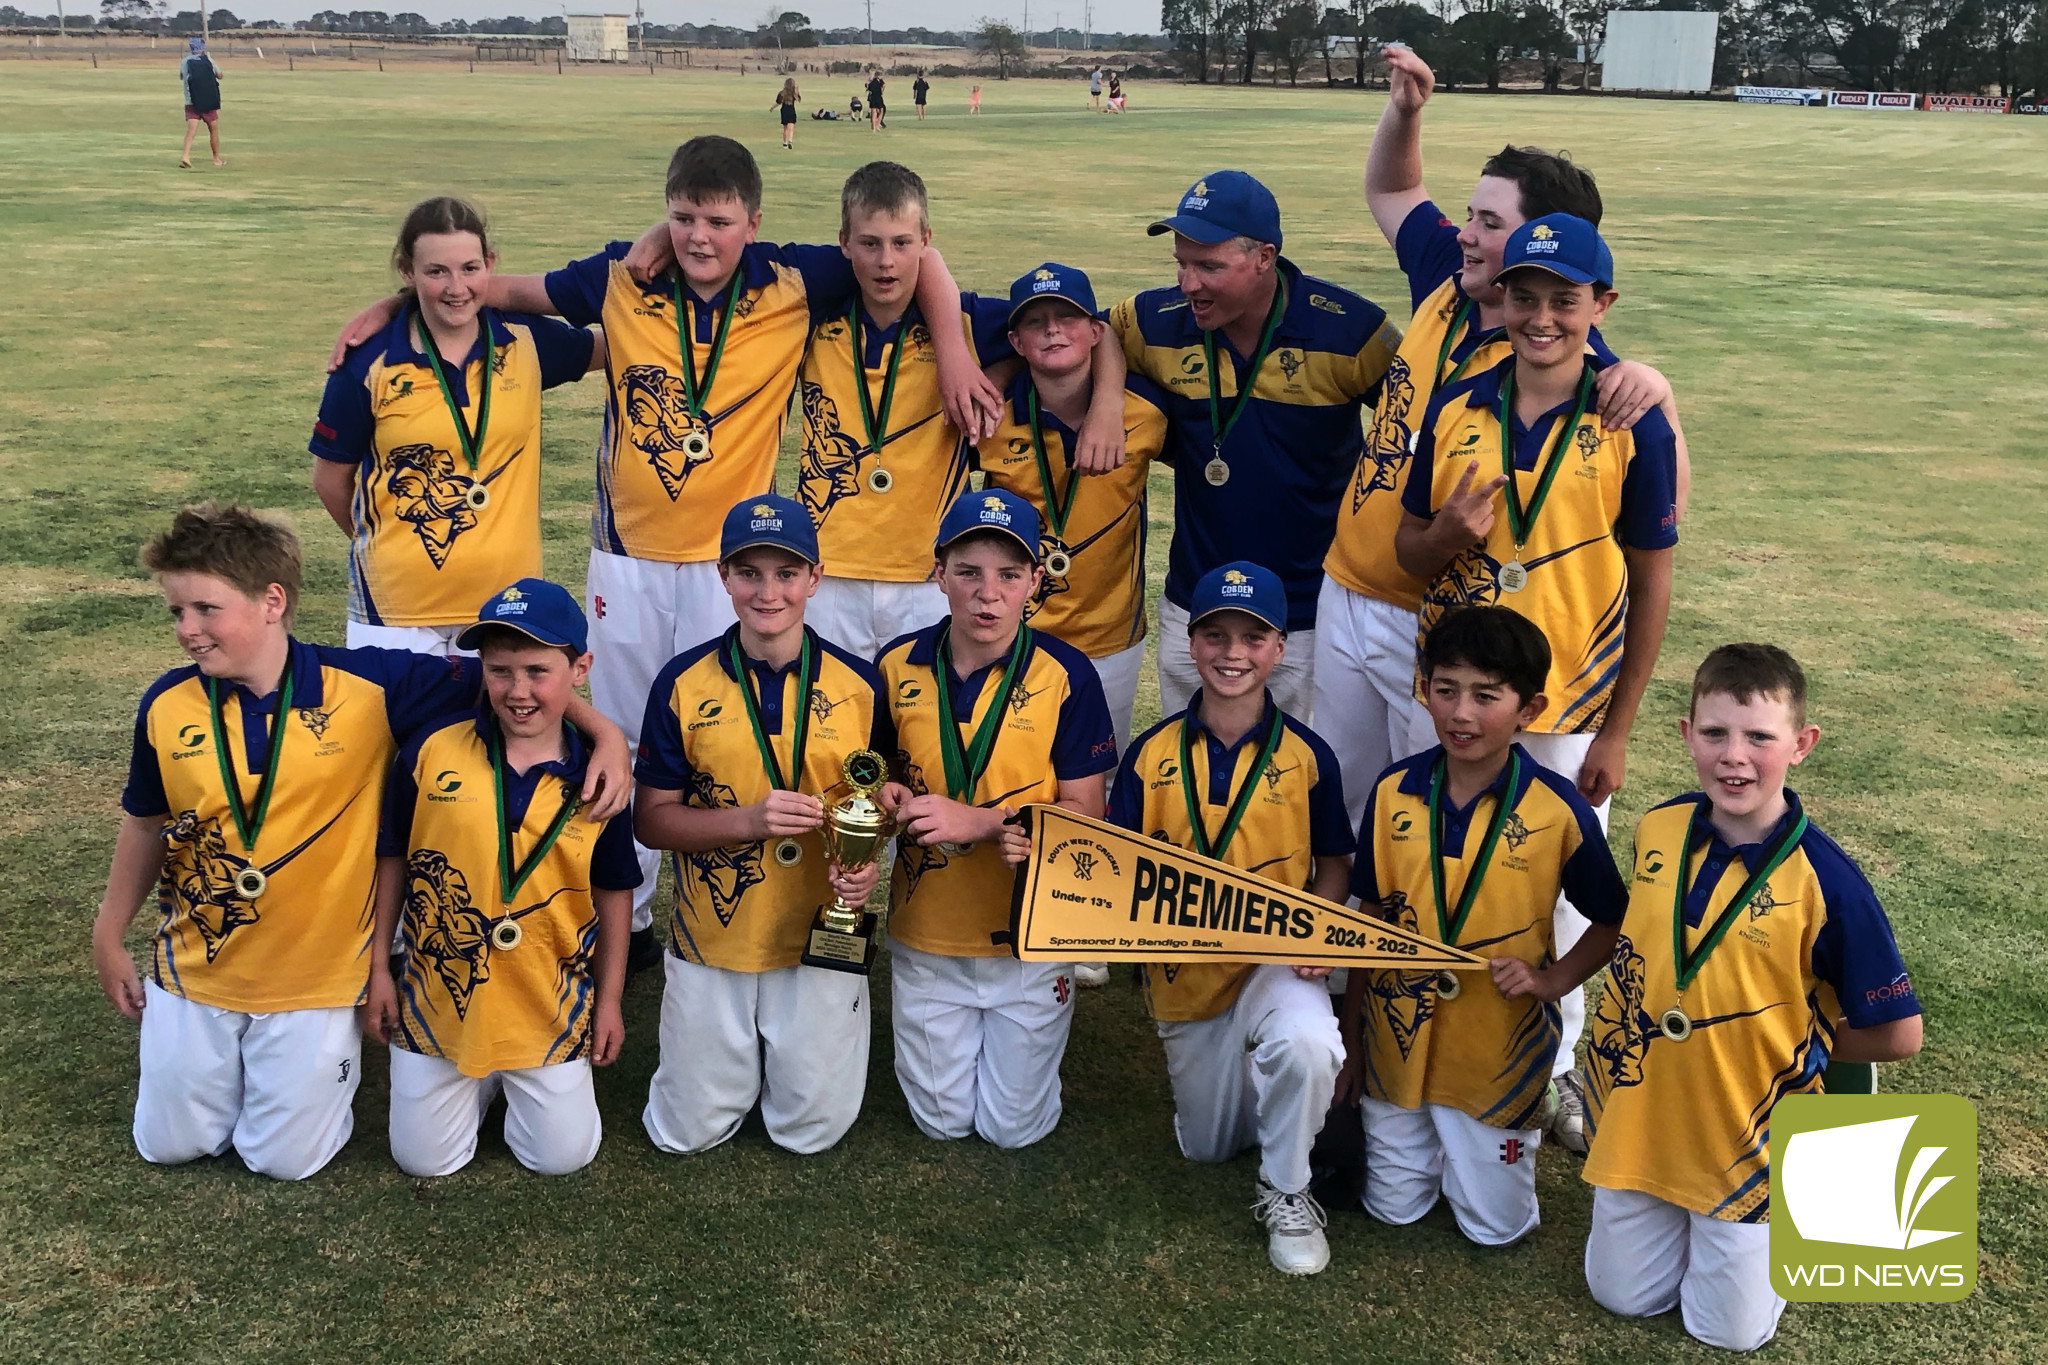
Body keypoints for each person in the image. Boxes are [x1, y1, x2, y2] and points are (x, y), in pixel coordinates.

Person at [328, 134, 995, 966]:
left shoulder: (795, 280)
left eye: (717, 220)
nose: (699, 237)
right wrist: (394, 307)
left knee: (745, 737)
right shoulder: (621, 275)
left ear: (754, 221)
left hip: (734, 568)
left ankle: (791, 898)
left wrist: (959, 349)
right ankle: (632, 911)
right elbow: (486, 289)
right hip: (628, 558)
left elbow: (913, 254)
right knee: (626, 727)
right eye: (682, 218)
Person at [90, 503, 629, 1181]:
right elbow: (143, 822)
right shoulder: (166, 703)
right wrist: (109, 932)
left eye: (205, 608)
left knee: (284, 1160)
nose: (187, 631)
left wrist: (602, 731)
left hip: (315, 978)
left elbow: (518, 677)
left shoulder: (374, 686)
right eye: (177, 612)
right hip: (198, 962)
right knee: (170, 1144)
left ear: (271, 601)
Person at [1320, 41, 1684, 842]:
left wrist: (1657, 386)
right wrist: (1406, 111)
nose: (1465, 233)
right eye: (1472, 215)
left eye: (1488, 221)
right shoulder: (1447, 280)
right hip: (1349, 586)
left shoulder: (1569, 360)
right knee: (1344, 805)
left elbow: (1663, 504)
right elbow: (1391, 185)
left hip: (1444, 620)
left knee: (1432, 820)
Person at [1394, 212, 1679, 1153]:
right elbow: (1407, 547)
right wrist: (1446, 537)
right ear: (1501, 300)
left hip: (1569, 704)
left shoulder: (1629, 417)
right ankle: (1417, 1047)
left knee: (1557, 893)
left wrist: (1620, 727)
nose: (1543, 317)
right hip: (1456, 690)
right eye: (1526, 297)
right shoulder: (1458, 404)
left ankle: (1552, 1073)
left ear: (1602, 305)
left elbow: (1652, 575)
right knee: (1437, 866)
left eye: (1565, 299)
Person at [1581, 644, 1923, 1351]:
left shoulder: (1830, 882)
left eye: (1759, 737)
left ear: (1801, 745)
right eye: (1714, 733)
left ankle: (1794, 1215)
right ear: (1685, 735)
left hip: (1748, 1134)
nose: (1734, 756)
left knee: (1727, 1333)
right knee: (1621, 1297)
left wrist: (1800, 1041)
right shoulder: (1658, 828)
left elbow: (1899, 1034)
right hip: (1647, 1116)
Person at [1342, 606, 1626, 1247]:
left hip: (1495, 1050)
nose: (1461, 714)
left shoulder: (1559, 809)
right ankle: (1430, 1146)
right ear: (1425, 691)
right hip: (1396, 1045)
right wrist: (1354, 1044)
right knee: (1393, 1210)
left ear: (1530, 708)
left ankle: (1480, 1152)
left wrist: (1554, 981)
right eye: (1445, 690)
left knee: (1494, 1230)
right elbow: (1370, 922)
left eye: (1486, 696)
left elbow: (1612, 918)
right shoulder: (1392, 793)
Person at [1108, 561, 1352, 1276]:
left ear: (1279, 649)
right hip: (1185, 979)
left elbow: (1336, 860)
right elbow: (1119, 867)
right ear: (1191, 642)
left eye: (1254, 636)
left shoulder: (1310, 756)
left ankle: (1289, 1190)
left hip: (1274, 964)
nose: (1233, 652)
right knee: (1207, 1144)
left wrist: (1320, 923)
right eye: (1215, 633)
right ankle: (1271, 1100)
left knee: (1309, 1044)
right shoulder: (1150, 756)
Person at [633, 495, 890, 1156]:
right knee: (683, 1132)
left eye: (786, 572)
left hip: (820, 935)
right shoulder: (681, 682)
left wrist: (862, 867)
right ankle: (730, 1063)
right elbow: (652, 822)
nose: (767, 591)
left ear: (815, 577)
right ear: (723, 576)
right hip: (714, 935)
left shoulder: (862, 684)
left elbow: (878, 802)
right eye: (750, 572)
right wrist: (747, 819)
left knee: (813, 1130)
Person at [361, 580, 639, 1177]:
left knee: (561, 1159)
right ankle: (479, 1080)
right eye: (499, 671)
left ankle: (506, 1079)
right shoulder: (429, 751)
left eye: (538, 671)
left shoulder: (600, 778)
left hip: (546, 1000)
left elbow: (616, 889)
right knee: (423, 1162)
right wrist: (380, 966)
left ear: (581, 668)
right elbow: (394, 860)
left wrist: (610, 999)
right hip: (438, 1001)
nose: (518, 692)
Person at [1107, 170, 1401, 719]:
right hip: (1195, 605)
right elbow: (1091, 338)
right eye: (1181, 262)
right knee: (1190, 776)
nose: (1188, 283)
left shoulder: (1350, 331)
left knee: (1299, 783)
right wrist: (1105, 400)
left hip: (1309, 611)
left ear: (1265, 257)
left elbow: (1424, 416)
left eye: (1209, 267)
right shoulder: (1154, 321)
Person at [875, 488, 1117, 1148]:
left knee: (1013, 1130)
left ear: (1036, 580)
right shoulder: (896, 665)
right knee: (943, 1122)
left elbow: (1086, 815)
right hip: (929, 932)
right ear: (938, 574)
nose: (989, 595)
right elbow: (879, 775)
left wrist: (982, 823)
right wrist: (889, 798)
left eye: (1009, 575)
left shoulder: (1068, 672)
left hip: (1030, 939)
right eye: (969, 572)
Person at [311, 197, 604, 656]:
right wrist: (387, 546)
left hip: (503, 606)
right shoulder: (368, 363)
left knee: (494, 728)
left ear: (490, 264)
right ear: (407, 271)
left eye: (470, 268)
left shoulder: (525, 341)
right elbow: (329, 479)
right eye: (436, 272)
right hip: (396, 611)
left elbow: (621, 342)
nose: (456, 287)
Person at [794, 163, 1014, 660]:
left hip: (929, 573)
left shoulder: (966, 321)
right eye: (869, 243)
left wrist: (982, 377)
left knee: (922, 726)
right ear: (844, 243)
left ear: (926, 241)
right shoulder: (809, 316)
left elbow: (1068, 335)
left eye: (901, 242)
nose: (886, 261)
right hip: (829, 570)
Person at [977, 262, 1167, 755]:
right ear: (1016, 342)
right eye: (1036, 322)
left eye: (1067, 317)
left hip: (1111, 638)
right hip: (1012, 634)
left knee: (1097, 781)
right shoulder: (991, 415)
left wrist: (1107, 404)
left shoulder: (1145, 413)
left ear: (1096, 331)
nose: (1053, 329)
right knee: (1009, 767)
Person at [179, 36, 223, 169]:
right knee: (213, 129)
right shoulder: (208, 60)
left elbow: (182, 77)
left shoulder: (185, 61)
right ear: (202, 48)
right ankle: (216, 158)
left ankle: (185, 156)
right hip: (208, 100)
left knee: (191, 131)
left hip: (191, 101)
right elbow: (220, 75)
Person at [775, 78, 801, 150]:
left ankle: (785, 143)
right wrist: (797, 89)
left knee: (785, 128)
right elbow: (799, 99)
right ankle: (790, 140)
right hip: (791, 110)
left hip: (784, 110)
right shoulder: (793, 93)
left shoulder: (782, 93)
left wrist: (772, 108)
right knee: (791, 128)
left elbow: (778, 102)